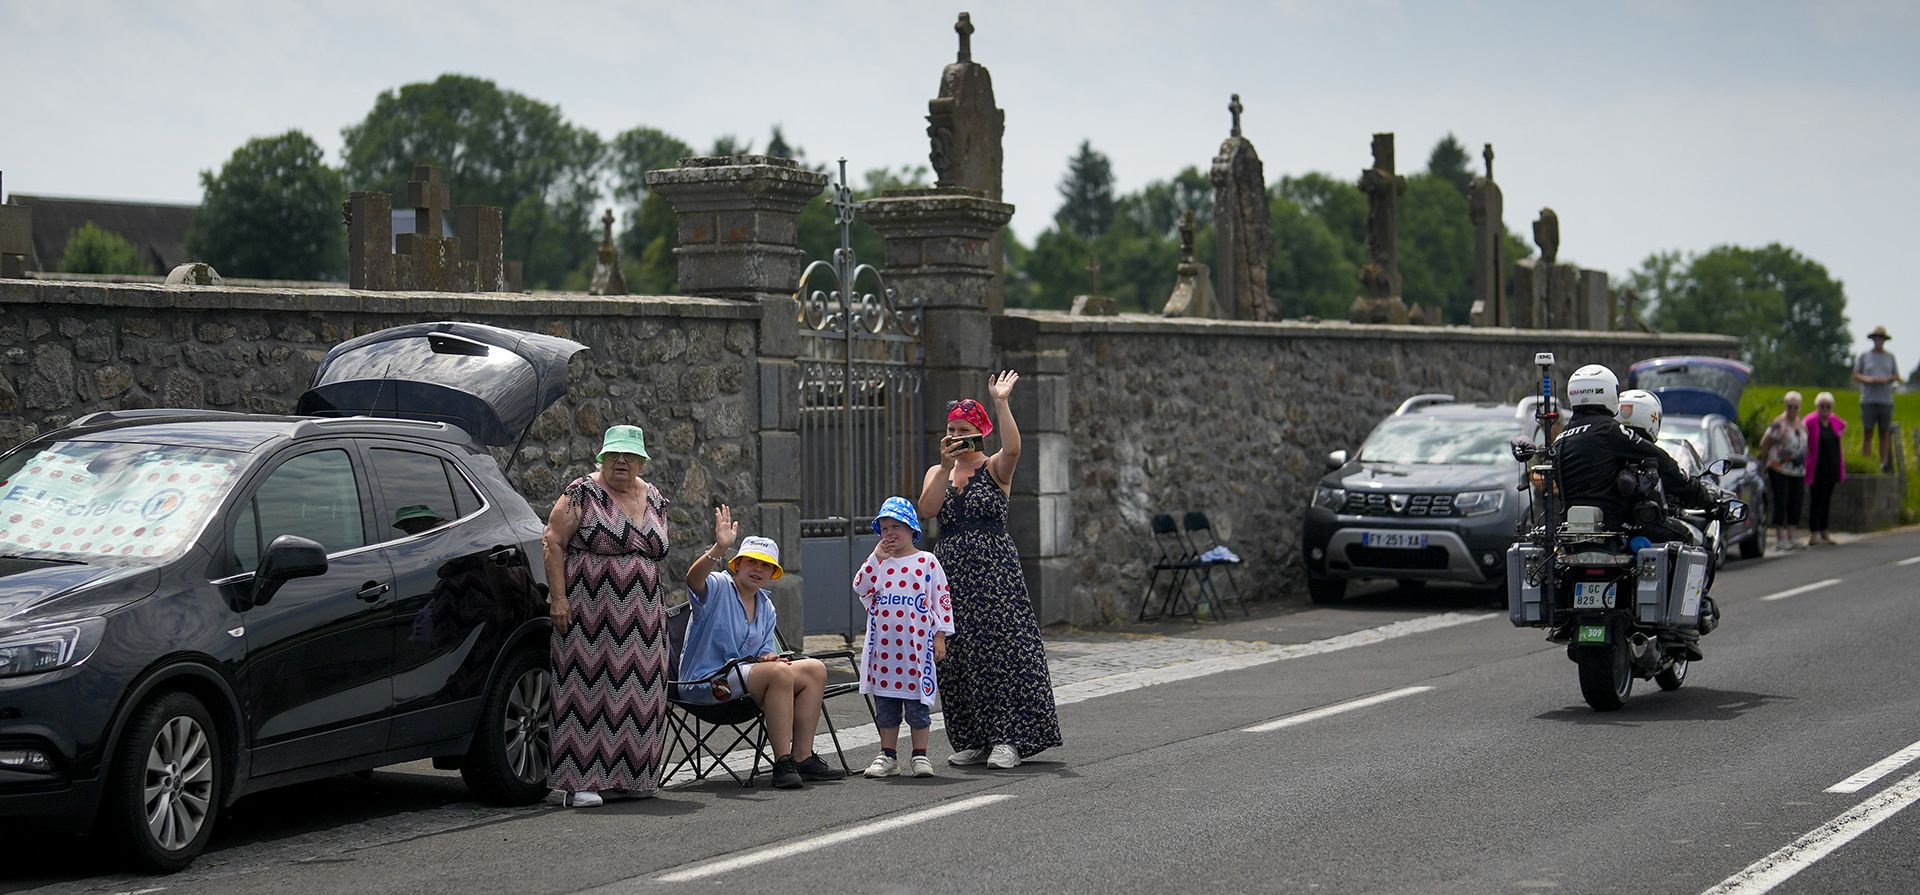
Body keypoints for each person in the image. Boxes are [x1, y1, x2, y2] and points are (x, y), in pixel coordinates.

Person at [916, 372, 1062, 770]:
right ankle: (971, 738)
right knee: (956, 654)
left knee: (1001, 650)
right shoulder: (938, 472)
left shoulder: (995, 466)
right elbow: (926, 512)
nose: (956, 436)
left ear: (981, 432)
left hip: (993, 571)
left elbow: (1014, 447)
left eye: (964, 430)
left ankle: (1007, 738)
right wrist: (944, 469)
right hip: (948, 571)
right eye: (951, 429)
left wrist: (1001, 401)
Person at [544, 425, 671, 808]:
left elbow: (657, 548)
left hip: (645, 617)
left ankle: (634, 777)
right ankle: (579, 782)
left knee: (643, 692)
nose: (621, 461)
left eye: (629, 455)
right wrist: (558, 599)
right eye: (613, 454)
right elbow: (552, 540)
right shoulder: (581, 492)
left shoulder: (655, 498)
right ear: (601, 457)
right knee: (585, 691)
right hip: (588, 612)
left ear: (641, 460)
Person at [680, 509, 845, 789]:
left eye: (765, 565)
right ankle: (782, 762)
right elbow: (692, 580)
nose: (758, 569)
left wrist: (768, 656)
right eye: (752, 562)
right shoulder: (719, 586)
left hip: (745, 683)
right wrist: (719, 548)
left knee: (814, 669)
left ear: (772, 573)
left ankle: (802, 757)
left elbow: (765, 654)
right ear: (738, 565)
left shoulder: (767, 607)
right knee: (779, 674)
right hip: (708, 684)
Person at [854, 497, 953, 779]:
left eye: (896, 526)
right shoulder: (878, 563)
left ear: (911, 528)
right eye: (884, 528)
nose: (890, 534)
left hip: (916, 651)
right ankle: (887, 755)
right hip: (883, 651)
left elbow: (941, 601)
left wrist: (940, 636)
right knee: (886, 706)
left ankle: (920, 755)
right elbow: (860, 587)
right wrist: (875, 559)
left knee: (918, 706)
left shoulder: (927, 562)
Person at [1555, 366, 1712, 534]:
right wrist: (1699, 493)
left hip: (1570, 531)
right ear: (1607, 392)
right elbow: (1660, 459)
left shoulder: (1562, 437)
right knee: (1691, 538)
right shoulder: (1610, 430)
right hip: (1617, 526)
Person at [1757, 391, 1808, 550]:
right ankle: (1780, 537)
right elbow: (1765, 444)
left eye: (1795, 407)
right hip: (1779, 469)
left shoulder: (1801, 424)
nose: (1792, 409)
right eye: (1790, 406)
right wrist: (1764, 463)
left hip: (1797, 470)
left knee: (1796, 502)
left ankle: (1792, 535)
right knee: (1781, 501)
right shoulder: (1779, 423)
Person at [1851, 326, 1899, 472]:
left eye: (1881, 338)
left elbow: (1897, 376)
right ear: (1873, 339)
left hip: (1885, 400)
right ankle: (1866, 463)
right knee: (1868, 432)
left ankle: (1883, 464)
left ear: (1884, 340)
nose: (1879, 341)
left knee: (1884, 432)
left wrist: (1886, 379)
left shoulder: (1890, 357)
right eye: (1876, 338)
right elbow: (1855, 374)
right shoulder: (1864, 356)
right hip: (1868, 400)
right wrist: (1869, 379)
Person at [1803, 392, 1847, 546]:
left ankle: (1824, 530)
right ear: (1817, 407)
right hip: (1816, 468)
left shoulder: (1834, 420)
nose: (1825, 409)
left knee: (1827, 500)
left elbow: (1843, 427)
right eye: (1822, 406)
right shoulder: (1810, 421)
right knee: (1816, 500)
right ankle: (1814, 533)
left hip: (1831, 467)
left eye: (1828, 406)